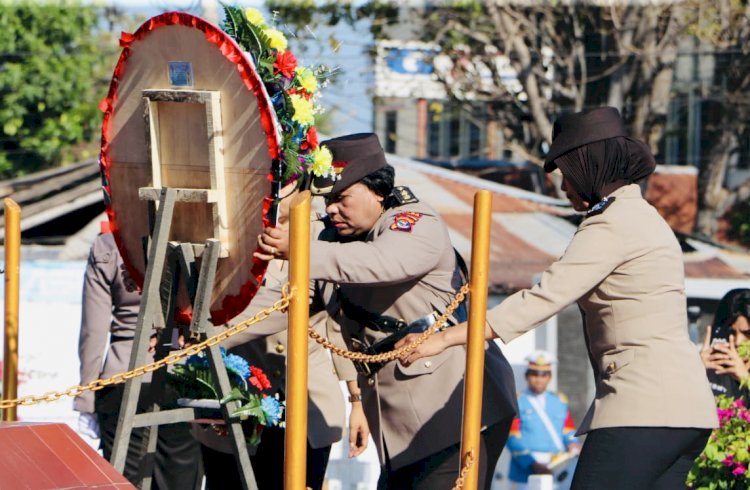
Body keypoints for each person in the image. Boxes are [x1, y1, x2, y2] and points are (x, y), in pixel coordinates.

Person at [397, 107, 718, 489]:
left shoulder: (612, 224)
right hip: (688, 411)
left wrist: (443, 339)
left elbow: (543, 297)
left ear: (588, 167)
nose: (564, 188)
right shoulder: (646, 217)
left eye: (566, 175)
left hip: (643, 406)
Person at [258, 132, 518, 489]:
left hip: (453, 411)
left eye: (341, 198)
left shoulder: (414, 222)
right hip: (403, 427)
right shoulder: (334, 240)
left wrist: (300, 249)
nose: (331, 208)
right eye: (327, 200)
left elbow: (380, 263)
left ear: (377, 191)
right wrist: (202, 330)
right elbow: (281, 302)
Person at [197, 182, 367, 490]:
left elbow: (338, 325)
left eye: (283, 184)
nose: (273, 192)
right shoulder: (226, 232)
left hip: (307, 402)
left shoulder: (325, 236)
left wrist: (357, 400)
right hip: (237, 400)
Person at [74, 225, 203, 489]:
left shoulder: (108, 245)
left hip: (122, 372)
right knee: (179, 478)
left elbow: (93, 331)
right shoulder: (197, 238)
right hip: (181, 371)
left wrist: (86, 396)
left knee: (124, 481)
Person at [506, 351, 580, 490]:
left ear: (549, 377)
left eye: (544, 375)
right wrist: (532, 463)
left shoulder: (559, 400)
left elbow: (568, 430)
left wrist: (573, 444)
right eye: (534, 374)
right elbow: (512, 438)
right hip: (526, 472)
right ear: (527, 376)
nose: (539, 379)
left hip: (557, 470)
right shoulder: (517, 401)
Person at [700, 288, 750, 402]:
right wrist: (695, 371)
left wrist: (745, 379)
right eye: (730, 333)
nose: (737, 342)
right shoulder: (709, 366)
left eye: (747, 334)